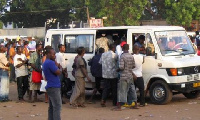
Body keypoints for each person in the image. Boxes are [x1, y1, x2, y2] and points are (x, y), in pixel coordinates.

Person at [113, 44, 138, 111]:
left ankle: (119, 106)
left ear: (123, 49)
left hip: (124, 76)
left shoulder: (122, 56)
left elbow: (121, 67)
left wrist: (117, 69)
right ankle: (135, 104)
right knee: (132, 90)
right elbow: (133, 66)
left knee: (122, 91)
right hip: (130, 75)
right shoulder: (131, 56)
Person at [43, 48, 62, 120]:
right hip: (54, 86)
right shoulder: (50, 63)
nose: (55, 56)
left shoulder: (46, 62)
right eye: (53, 54)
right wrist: (59, 66)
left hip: (50, 86)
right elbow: (58, 72)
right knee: (57, 106)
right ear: (48, 54)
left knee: (52, 107)